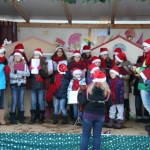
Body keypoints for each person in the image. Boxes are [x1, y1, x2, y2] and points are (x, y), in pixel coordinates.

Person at [78, 70, 112, 150]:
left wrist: (79, 94)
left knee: (85, 136)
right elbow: (109, 104)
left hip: (88, 115)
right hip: (100, 116)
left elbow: (82, 101)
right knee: (97, 136)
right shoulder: (107, 91)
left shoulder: (88, 89)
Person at [131, 39, 150, 134]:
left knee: (148, 104)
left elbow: (148, 70)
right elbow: (144, 71)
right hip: (144, 83)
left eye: (145, 46)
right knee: (147, 104)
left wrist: (137, 68)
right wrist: (137, 71)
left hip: (147, 84)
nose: (144, 48)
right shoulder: (147, 57)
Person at [28, 48, 49, 124]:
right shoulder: (30, 63)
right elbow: (28, 76)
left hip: (41, 86)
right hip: (33, 85)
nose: (35, 56)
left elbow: (46, 76)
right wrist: (29, 70)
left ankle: (41, 117)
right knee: (33, 101)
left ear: (40, 56)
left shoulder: (44, 64)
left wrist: (40, 70)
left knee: (41, 101)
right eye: (34, 55)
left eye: (37, 55)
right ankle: (33, 117)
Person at [9, 50, 30, 124]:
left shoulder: (24, 65)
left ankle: (21, 118)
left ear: (21, 57)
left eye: (19, 56)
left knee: (21, 101)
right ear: (14, 57)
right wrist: (21, 75)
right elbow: (10, 75)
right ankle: (13, 118)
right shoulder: (11, 64)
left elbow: (28, 74)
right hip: (14, 85)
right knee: (14, 101)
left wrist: (17, 73)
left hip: (22, 85)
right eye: (16, 56)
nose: (17, 57)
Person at [115, 52, 131, 121]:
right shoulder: (118, 67)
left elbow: (127, 77)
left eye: (115, 59)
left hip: (124, 87)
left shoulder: (124, 67)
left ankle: (122, 117)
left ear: (119, 60)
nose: (114, 60)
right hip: (119, 87)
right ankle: (119, 117)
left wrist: (120, 75)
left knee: (123, 103)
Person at [0, 46, 10, 125]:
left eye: (3, 53)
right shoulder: (2, 63)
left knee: (2, 103)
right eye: (1, 53)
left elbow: (8, 72)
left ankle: (1, 119)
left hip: (3, 85)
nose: (2, 55)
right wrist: (3, 65)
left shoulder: (4, 61)